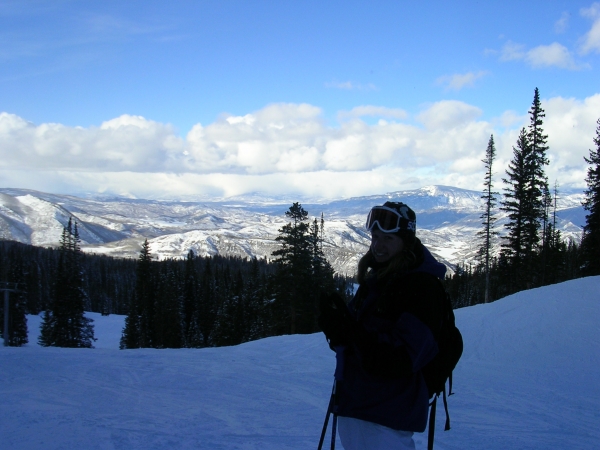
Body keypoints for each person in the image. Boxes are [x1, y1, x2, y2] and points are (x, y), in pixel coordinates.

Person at [318, 201, 447, 450]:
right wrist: (336, 329)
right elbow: (355, 343)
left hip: (386, 414)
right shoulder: (379, 279)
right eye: (375, 237)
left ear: (405, 241)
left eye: (388, 238)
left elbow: (402, 359)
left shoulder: (421, 289)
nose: (378, 245)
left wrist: (353, 333)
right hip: (358, 406)